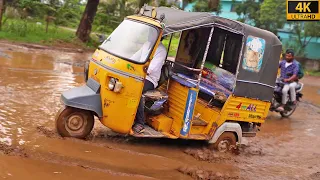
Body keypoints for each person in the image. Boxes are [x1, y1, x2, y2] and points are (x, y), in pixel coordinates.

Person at [131, 37, 167, 134]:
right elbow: (134, 57)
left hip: (150, 79)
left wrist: (136, 69)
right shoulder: (147, 44)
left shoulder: (161, 50)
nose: (150, 34)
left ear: (160, 35)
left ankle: (140, 122)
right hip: (138, 75)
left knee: (136, 90)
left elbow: (150, 69)